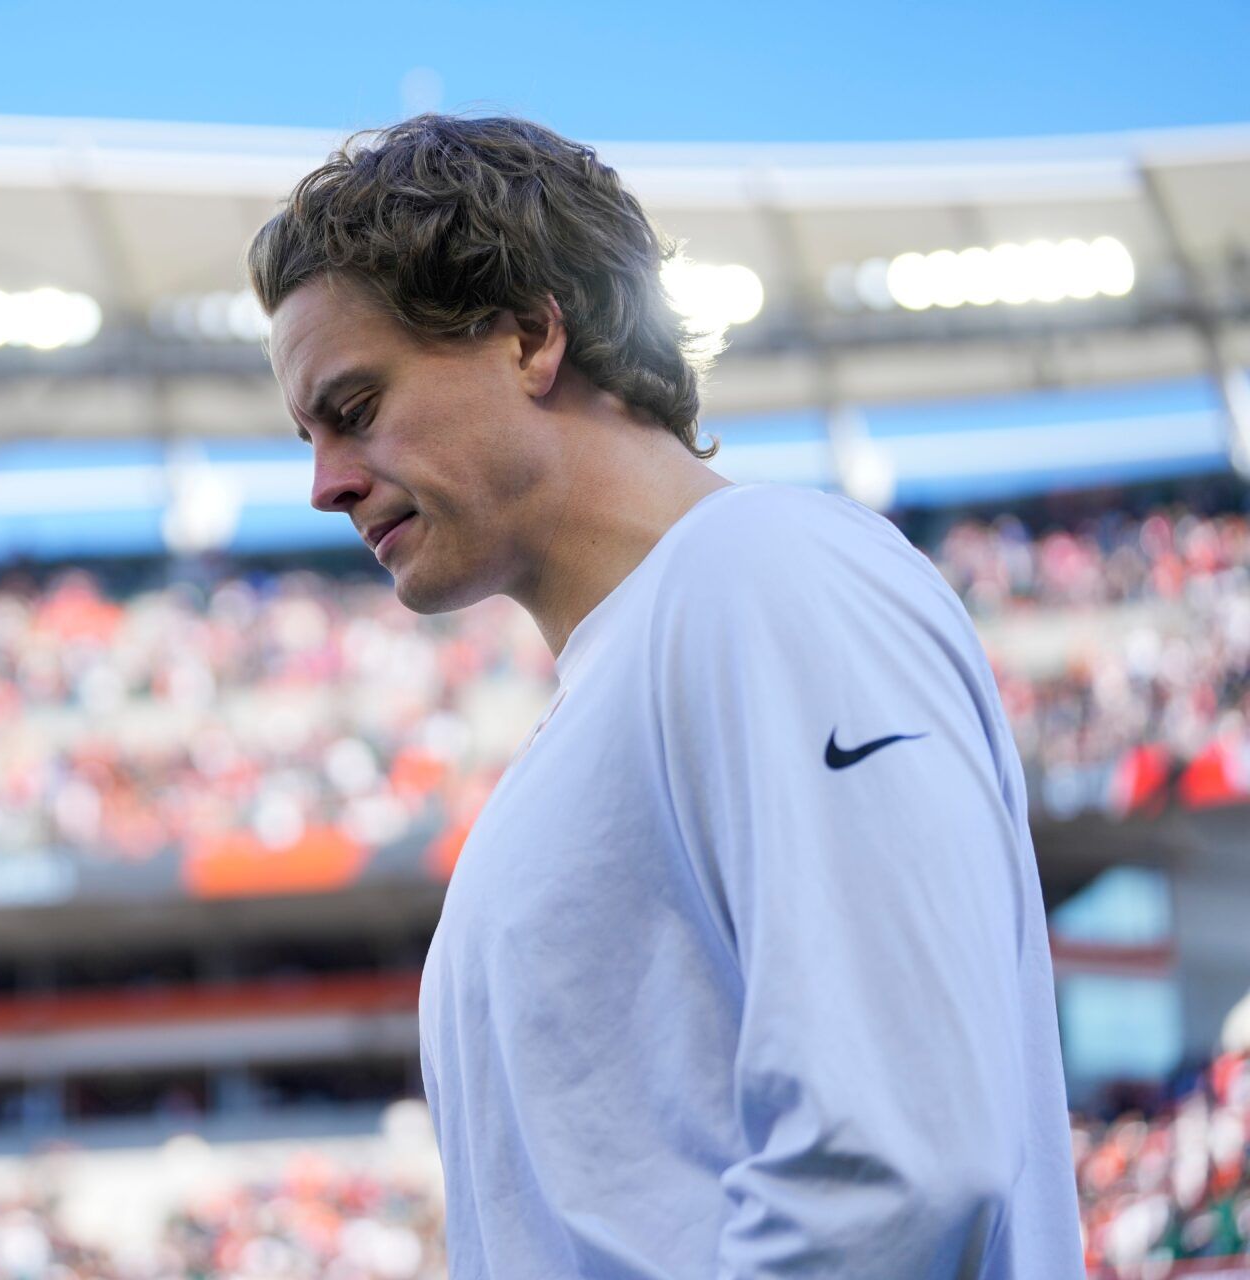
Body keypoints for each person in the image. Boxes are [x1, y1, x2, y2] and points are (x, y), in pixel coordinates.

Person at [246, 114, 1085, 1279]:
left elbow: (896, 1158)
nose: (326, 483)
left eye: (356, 406)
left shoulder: (766, 567)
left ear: (532, 337)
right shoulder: (616, 687)